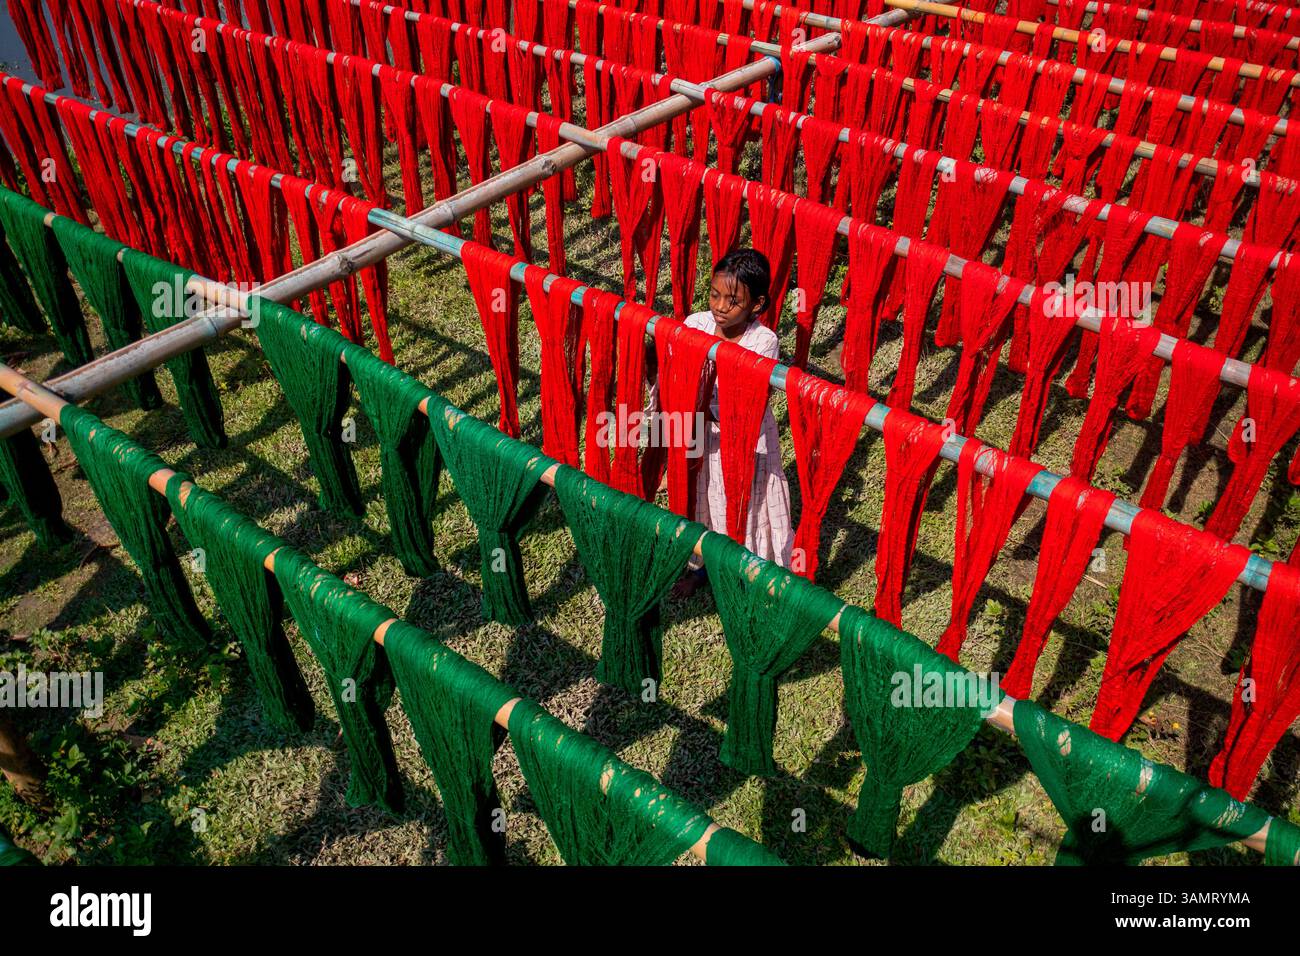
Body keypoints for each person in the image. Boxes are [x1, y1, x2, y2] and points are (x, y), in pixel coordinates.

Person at [672, 249, 794, 595]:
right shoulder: (696, 324)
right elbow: (676, 373)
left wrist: (701, 406)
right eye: (714, 294)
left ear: (756, 305)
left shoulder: (763, 341)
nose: (720, 306)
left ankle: (745, 571)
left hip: (743, 441)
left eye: (733, 300)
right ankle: (704, 566)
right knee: (703, 499)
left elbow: (750, 403)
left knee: (740, 503)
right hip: (700, 434)